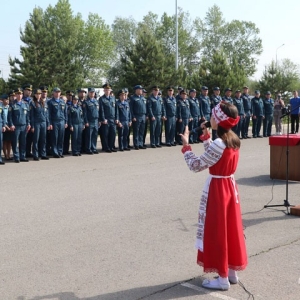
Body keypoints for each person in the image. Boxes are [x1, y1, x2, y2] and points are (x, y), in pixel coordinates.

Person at [180, 101, 247, 291]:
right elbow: (214, 154)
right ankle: (231, 273)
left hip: (218, 189)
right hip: (229, 187)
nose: (209, 118)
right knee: (230, 229)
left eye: (212, 116)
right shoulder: (232, 138)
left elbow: (197, 165)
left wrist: (186, 147)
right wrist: (205, 137)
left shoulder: (220, 143)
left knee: (218, 231)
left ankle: (222, 279)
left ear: (217, 120)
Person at [8, 88, 31, 163]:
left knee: (23, 142)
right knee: (15, 142)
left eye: (21, 94)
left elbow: (27, 115)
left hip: (24, 125)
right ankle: (16, 157)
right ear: (16, 95)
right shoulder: (12, 104)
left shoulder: (25, 104)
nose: (19, 95)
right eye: (18, 94)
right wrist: (11, 124)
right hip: (16, 126)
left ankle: (22, 156)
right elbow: (10, 116)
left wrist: (28, 124)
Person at [29, 89, 49, 160]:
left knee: (43, 139)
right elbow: (32, 116)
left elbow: (46, 114)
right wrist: (32, 126)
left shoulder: (43, 102)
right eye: (37, 94)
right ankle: (35, 154)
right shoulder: (32, 103)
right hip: (36, 123)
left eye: (40, 94)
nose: (38, 95)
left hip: (43, 122)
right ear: (34, 95)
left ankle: (43, 154)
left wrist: (48, 123)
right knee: (36, 140)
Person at [48, 87, 68, 158]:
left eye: (59, 92)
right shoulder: (50, 102)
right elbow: (49, 114)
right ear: (53, 93)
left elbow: (65, 113)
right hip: (54, 121)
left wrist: (66, 122)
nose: (57, 93)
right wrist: (50, 123)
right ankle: (55, 152)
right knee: (55, 137)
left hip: (62, 121)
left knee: (61, 137)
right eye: (56, 92)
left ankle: (60, 151)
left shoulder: (62, 102)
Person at [99, 83, 118, 153]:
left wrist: (117, 118)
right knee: (105, 134)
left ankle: (111, 146)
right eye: (106, 90)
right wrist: (103, 119)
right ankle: (106, 147)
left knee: (113, 133)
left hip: (112, 119)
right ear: (104, 90)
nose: (107, 91)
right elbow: (101, 110)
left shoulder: (113, 98)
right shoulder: (101, 99)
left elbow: (116, 109)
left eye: (108, 90)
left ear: (110, 91)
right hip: (106, 119)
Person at [129, 85, 147, 150]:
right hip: (136, 116)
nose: (141, 90)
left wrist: (146, 115)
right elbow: (131, 109)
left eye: (141, 89)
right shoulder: (133, 98)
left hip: (143, 116)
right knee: (136, 131)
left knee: (142, 131)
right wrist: (133, 116)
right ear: (136, 90)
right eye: (140, 89)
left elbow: (145, 107)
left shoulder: (143, 98)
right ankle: (136, 144)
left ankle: (141, 143)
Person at [83, 87, 100, 154]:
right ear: (88, 93)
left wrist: (99, 120)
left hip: (96, 120)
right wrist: (86, 121)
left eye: (93, 92)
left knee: (95, 135)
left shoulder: (96, 101)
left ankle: (94, 148)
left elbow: (98, 111)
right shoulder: (86, 102)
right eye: (90, 92)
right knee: (89, 136)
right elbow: (85, 113)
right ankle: (88, 148)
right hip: (90, 121)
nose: (92, 93)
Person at [2, 94, 12, 161]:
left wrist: (10, 126)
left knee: (9, 141)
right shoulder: (1, 107)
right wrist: (5, 126)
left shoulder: (9, 107)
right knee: (4, 142)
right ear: (3, 100)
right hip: (4, 126)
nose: (7, 101)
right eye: (6, 99)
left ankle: (9, 155)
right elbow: (2, 118)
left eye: (8, 99)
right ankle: (5, 155)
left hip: (10, 126)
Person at [0, 96, 6, 164]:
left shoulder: (0, 104)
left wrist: (4, 125)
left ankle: (0, 159)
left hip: (0, 124)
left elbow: (3, 115)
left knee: (0, 143)